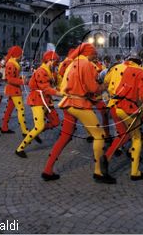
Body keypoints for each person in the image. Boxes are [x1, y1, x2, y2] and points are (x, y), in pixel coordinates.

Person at [42, 43, 116, 184]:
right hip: (79, 104)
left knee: (65, 137)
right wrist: (104, 86)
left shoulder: (72, 63)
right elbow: (92, 87)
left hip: (68, 103)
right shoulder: (86, 64)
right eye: (94, 54)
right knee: (99, 136)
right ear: (89, 53)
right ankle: (99, 172)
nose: (96, 56)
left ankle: (47, 169)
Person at [102, 51, 143, 180]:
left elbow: (107, 82)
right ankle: (134, 172)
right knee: (136, 137)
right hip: (128, 108)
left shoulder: (119, 68)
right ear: (139, 62)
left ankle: (108, 156)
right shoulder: (141, 72)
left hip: (115, 105)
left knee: (124, 135)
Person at [15, 50, 61, 157]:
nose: (57, 64)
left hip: (46, 100)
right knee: (39, 126)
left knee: (56, 121)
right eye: (55, 62)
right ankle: (20, 149)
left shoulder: (50, 71)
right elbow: (46, 88)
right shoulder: (41, 71)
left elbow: (53, 85)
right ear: (50, 60)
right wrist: (61, 93)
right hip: (38, 100)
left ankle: (37, 132)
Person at [1, 45, 28, 135]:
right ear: (17, 54)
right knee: (21, 109)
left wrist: (21, 78)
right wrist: (22, 81)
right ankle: (24, 131)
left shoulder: (12, 63)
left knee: (9, 109)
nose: (21, 57)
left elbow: (13, 77)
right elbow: (10, 79)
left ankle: (4, 127)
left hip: (13, 89)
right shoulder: (11, 64)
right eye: (21, 55)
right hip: (14, 90)